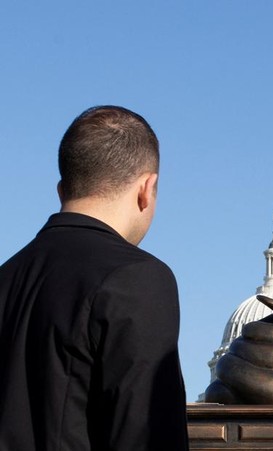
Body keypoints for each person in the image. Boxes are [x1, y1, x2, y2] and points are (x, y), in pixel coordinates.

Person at [0, 106, 189, 450]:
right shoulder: (138, 279)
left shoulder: (6, 277)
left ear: (62, 190)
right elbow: (147, 435)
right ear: (147, 188)